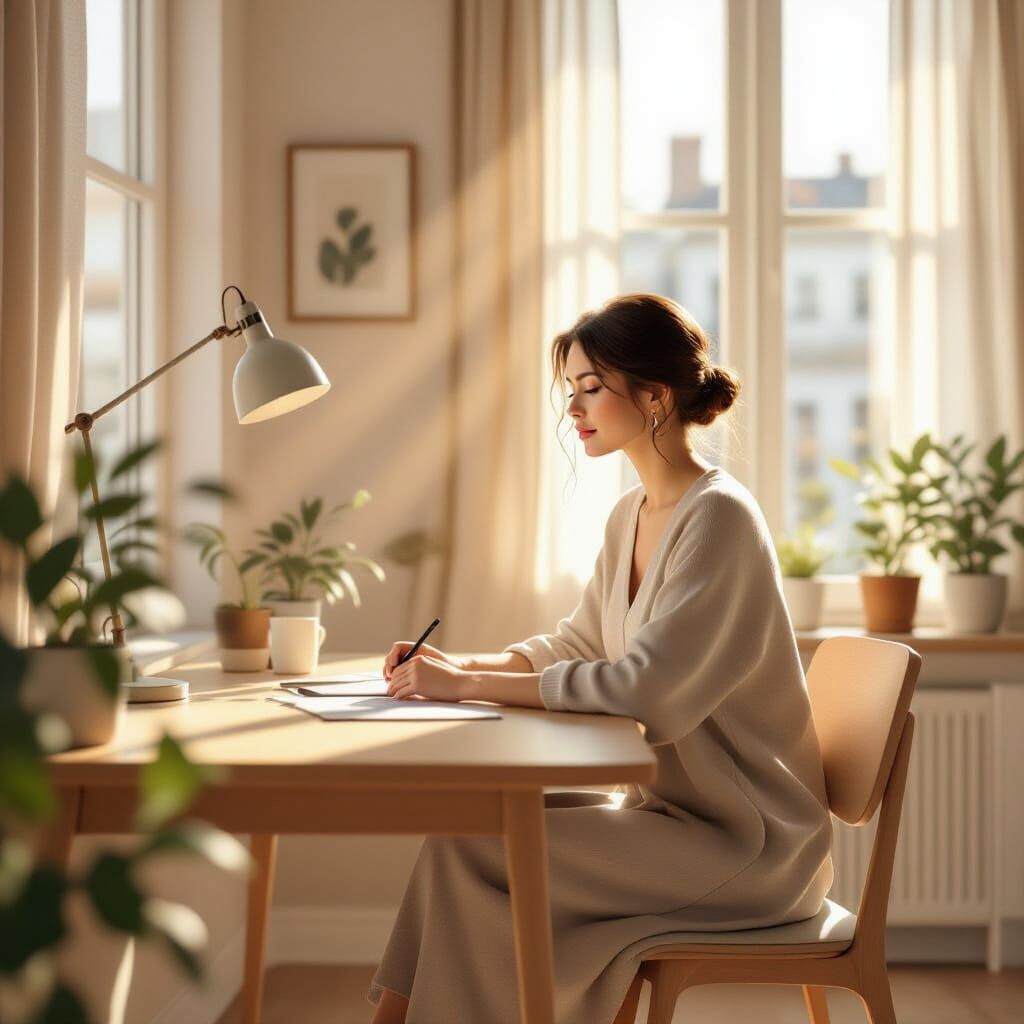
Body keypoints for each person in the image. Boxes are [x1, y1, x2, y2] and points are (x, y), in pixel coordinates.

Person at [367, 293, 834, 1024]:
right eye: (571, 391)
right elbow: (579, 644)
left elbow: (644, 693)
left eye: (592, 388)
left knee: (475, 854)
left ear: (655, 396)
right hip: (672, 819)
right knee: (464, 836)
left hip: (751, 845)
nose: (574, 409)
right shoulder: (633, 516)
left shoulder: (720, 518)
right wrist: (464, 667)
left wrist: (462, 684)